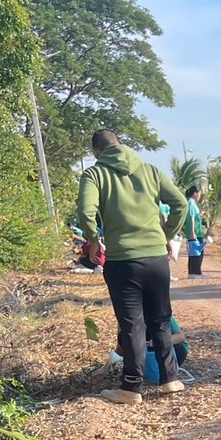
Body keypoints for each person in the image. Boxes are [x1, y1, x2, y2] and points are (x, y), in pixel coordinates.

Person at [77, 129, 188, 405]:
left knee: (132, 325)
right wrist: (165, 235)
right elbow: (180, 203)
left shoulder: (95, 174)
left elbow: (85, 210)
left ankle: (131, 388)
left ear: (96, 153)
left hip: (122, 260)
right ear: (121, 145)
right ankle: (170, 380)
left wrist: (93, 240)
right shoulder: (150, 170)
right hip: (156, 259)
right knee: (161, 319)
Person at [184, 184, 207, 275]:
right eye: (199, 193)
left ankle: (192, 272)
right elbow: (191, 218)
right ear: (195, 193)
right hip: (196, 232)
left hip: (196, 231)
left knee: (193, 252)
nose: (200, 196)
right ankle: (197, 272)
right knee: (198, 252)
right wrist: (193, 232)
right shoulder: (191, 203)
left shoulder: (191, 203)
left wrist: (201, 214)